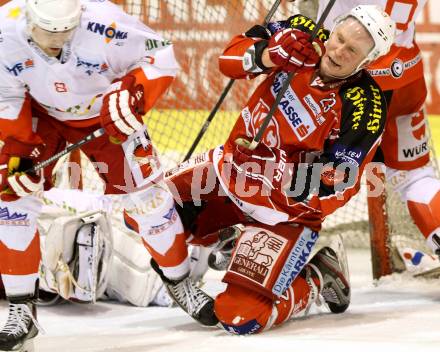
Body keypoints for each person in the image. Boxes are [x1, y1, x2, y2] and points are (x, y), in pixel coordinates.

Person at [146, 5, 396, 334]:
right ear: (332, 29)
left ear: (368, 60)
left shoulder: (365, 106)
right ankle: (226, 241)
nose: (337, 51)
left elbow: (340, 180)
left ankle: (319, 276)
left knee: (240, 320)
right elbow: (228, 60)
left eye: (352, 50)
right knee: (147, 206)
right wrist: (268, 54)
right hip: (228, 173)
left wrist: (274, 172)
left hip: (283, 214)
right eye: (339, 38)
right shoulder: (301, 35)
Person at [0, 0, 210, 350]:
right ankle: (21, 307)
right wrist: (17, 145)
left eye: (65, 31)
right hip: (38, 115)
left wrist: (134, 91)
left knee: (149, 200)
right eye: (46, 33)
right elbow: (6, 90)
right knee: (12, 197)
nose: (56, 41)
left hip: (105, 118)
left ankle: (179, 280)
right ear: (29, 18)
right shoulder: (5, 28)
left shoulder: (107, 23)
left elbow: (161, 55)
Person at [310, 0, 440, 259]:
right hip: (405, 73)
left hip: (351, 75)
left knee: (309, 172)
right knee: (415, 177)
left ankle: (267, 250)